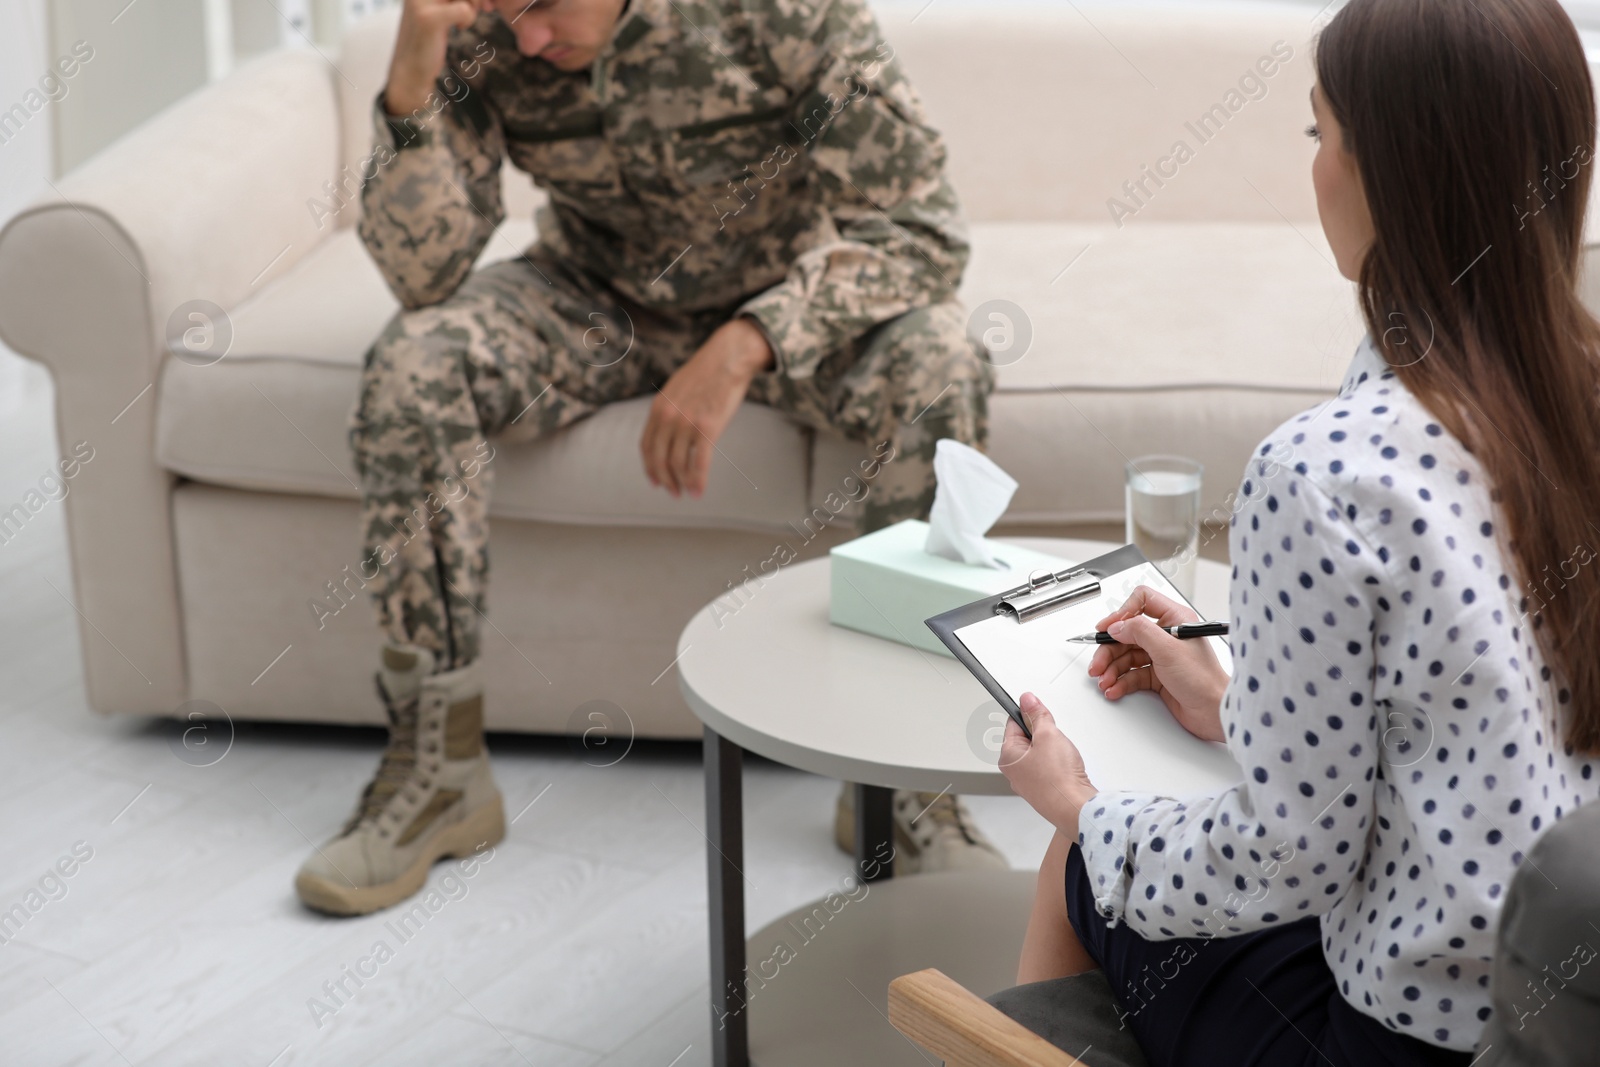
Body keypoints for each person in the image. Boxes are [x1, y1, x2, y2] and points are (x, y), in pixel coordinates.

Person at [292, 0, 1006, 916]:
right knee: (412, 365)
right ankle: (437, 771)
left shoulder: (783, 13)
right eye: (510, 16)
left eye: (545, 8)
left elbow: (922, 234)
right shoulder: (484, 28)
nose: (530, 40)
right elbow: (420, 274)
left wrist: (751, 340)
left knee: (943, 364)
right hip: (593, 296)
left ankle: (907, 781)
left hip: (781, 285)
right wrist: (413, 63)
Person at [995, 0, 1600, 1063]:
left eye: (1320, 133)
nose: (1314, 167)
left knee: (1080, 858)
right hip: (1555, 1005)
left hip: (1401, 1036)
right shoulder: (1576, 391)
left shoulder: (1323, 470)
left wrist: (1082, 808)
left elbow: (1288, 858)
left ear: (1391, 172)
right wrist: (1246, 705)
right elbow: (1490, 731)